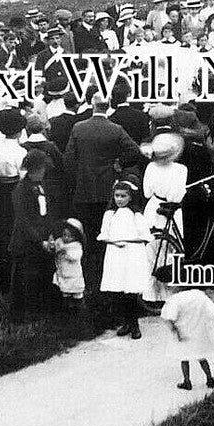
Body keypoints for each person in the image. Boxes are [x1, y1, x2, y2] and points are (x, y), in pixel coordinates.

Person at [64, 92, 144, 312]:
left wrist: (77, 177)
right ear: (108, 107)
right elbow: (135, 151)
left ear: (92, 105)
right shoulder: (115, 129)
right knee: (107, 234)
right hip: (107, 188)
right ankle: (106, 281)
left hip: (84, 189)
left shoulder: (79, 128)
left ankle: (88, 280)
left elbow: (68, 158)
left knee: (87, 234)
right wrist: (118, 163)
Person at [8, 148, 58, 323]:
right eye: (41, 169)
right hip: (26, 240)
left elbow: (47, 212)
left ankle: (41, 308)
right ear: (33, 170)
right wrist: (39, 240)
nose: (43, 172)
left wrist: (50, 234)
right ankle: (22, 314)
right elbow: (23, 220)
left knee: (42, 275)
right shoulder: (21, 190)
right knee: (24, 278)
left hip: (42, 236)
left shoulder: (42, 186)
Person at [98, 178, 152, 338]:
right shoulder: (110, 214)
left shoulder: (136, 215)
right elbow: (104, 234)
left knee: (131, 289)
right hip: (116, 253)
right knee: (119, 289)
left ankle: (134, 324)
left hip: (132, 253)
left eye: (123, 196)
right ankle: (126, 322)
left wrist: (128, 241)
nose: (119, 199)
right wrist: (114, 241)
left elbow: (144, 235)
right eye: (117, 196)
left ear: (130, 197)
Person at [142, 131, 188, 303]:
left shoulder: (151, 168)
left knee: (150, 252)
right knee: (173, 251)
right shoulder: (181, 169)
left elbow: (147, 193)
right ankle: (170, 293)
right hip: (172, 211)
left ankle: (150, 294)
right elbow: (178, 195)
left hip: (154, 209)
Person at [160, 286, 214, 390]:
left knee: (184, 358)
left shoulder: (176, 299)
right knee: (202, 357)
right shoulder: (199, 295)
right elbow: (213, 311)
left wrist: (175, 331)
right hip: (199, 332)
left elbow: (169, 317)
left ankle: (187, 381)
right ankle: (210, 379)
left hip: (183, 332)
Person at [46, 218, 86, 312]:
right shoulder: (60, 241)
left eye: (69, 236)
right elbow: (54, 248)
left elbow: (76, 256)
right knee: (65, 290)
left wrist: (66, 253)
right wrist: (52, 246)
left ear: (75, 237)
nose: (66, 238)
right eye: (65, 235)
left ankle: (78, 306)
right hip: (63, 271)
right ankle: (67, 307)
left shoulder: (76, 245)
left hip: (73, 274)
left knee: (76, 291)